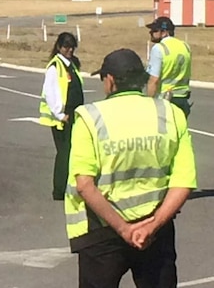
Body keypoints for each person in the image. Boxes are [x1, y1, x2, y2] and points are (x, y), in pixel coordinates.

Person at [65, 48, 196, 288]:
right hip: (156, 231)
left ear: (110, 81)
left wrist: (124, 229)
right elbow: (183, 182)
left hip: (102, 231)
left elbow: (84, 184)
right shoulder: (171, 114)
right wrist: (153, 225)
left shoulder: (89, 117)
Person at [39, 32, 84, 201]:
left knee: (72, 153)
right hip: (64, 118)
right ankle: (59, 191)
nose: (69, 50)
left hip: (74, 115)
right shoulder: (55, 67)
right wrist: (60, 114)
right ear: (59, 46)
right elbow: (51, 93)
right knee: (64, 154)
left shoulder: (71, 64)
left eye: (72, 47)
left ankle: (67, 186)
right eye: (66, 46)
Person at [145, 16, 192, 118]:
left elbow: (154, 80)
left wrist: (149, 103)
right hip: (183, 99)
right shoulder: (185, 46)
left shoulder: (159, 49)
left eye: (154, 30)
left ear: (164, 32)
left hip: (165, 99)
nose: (151, 33)